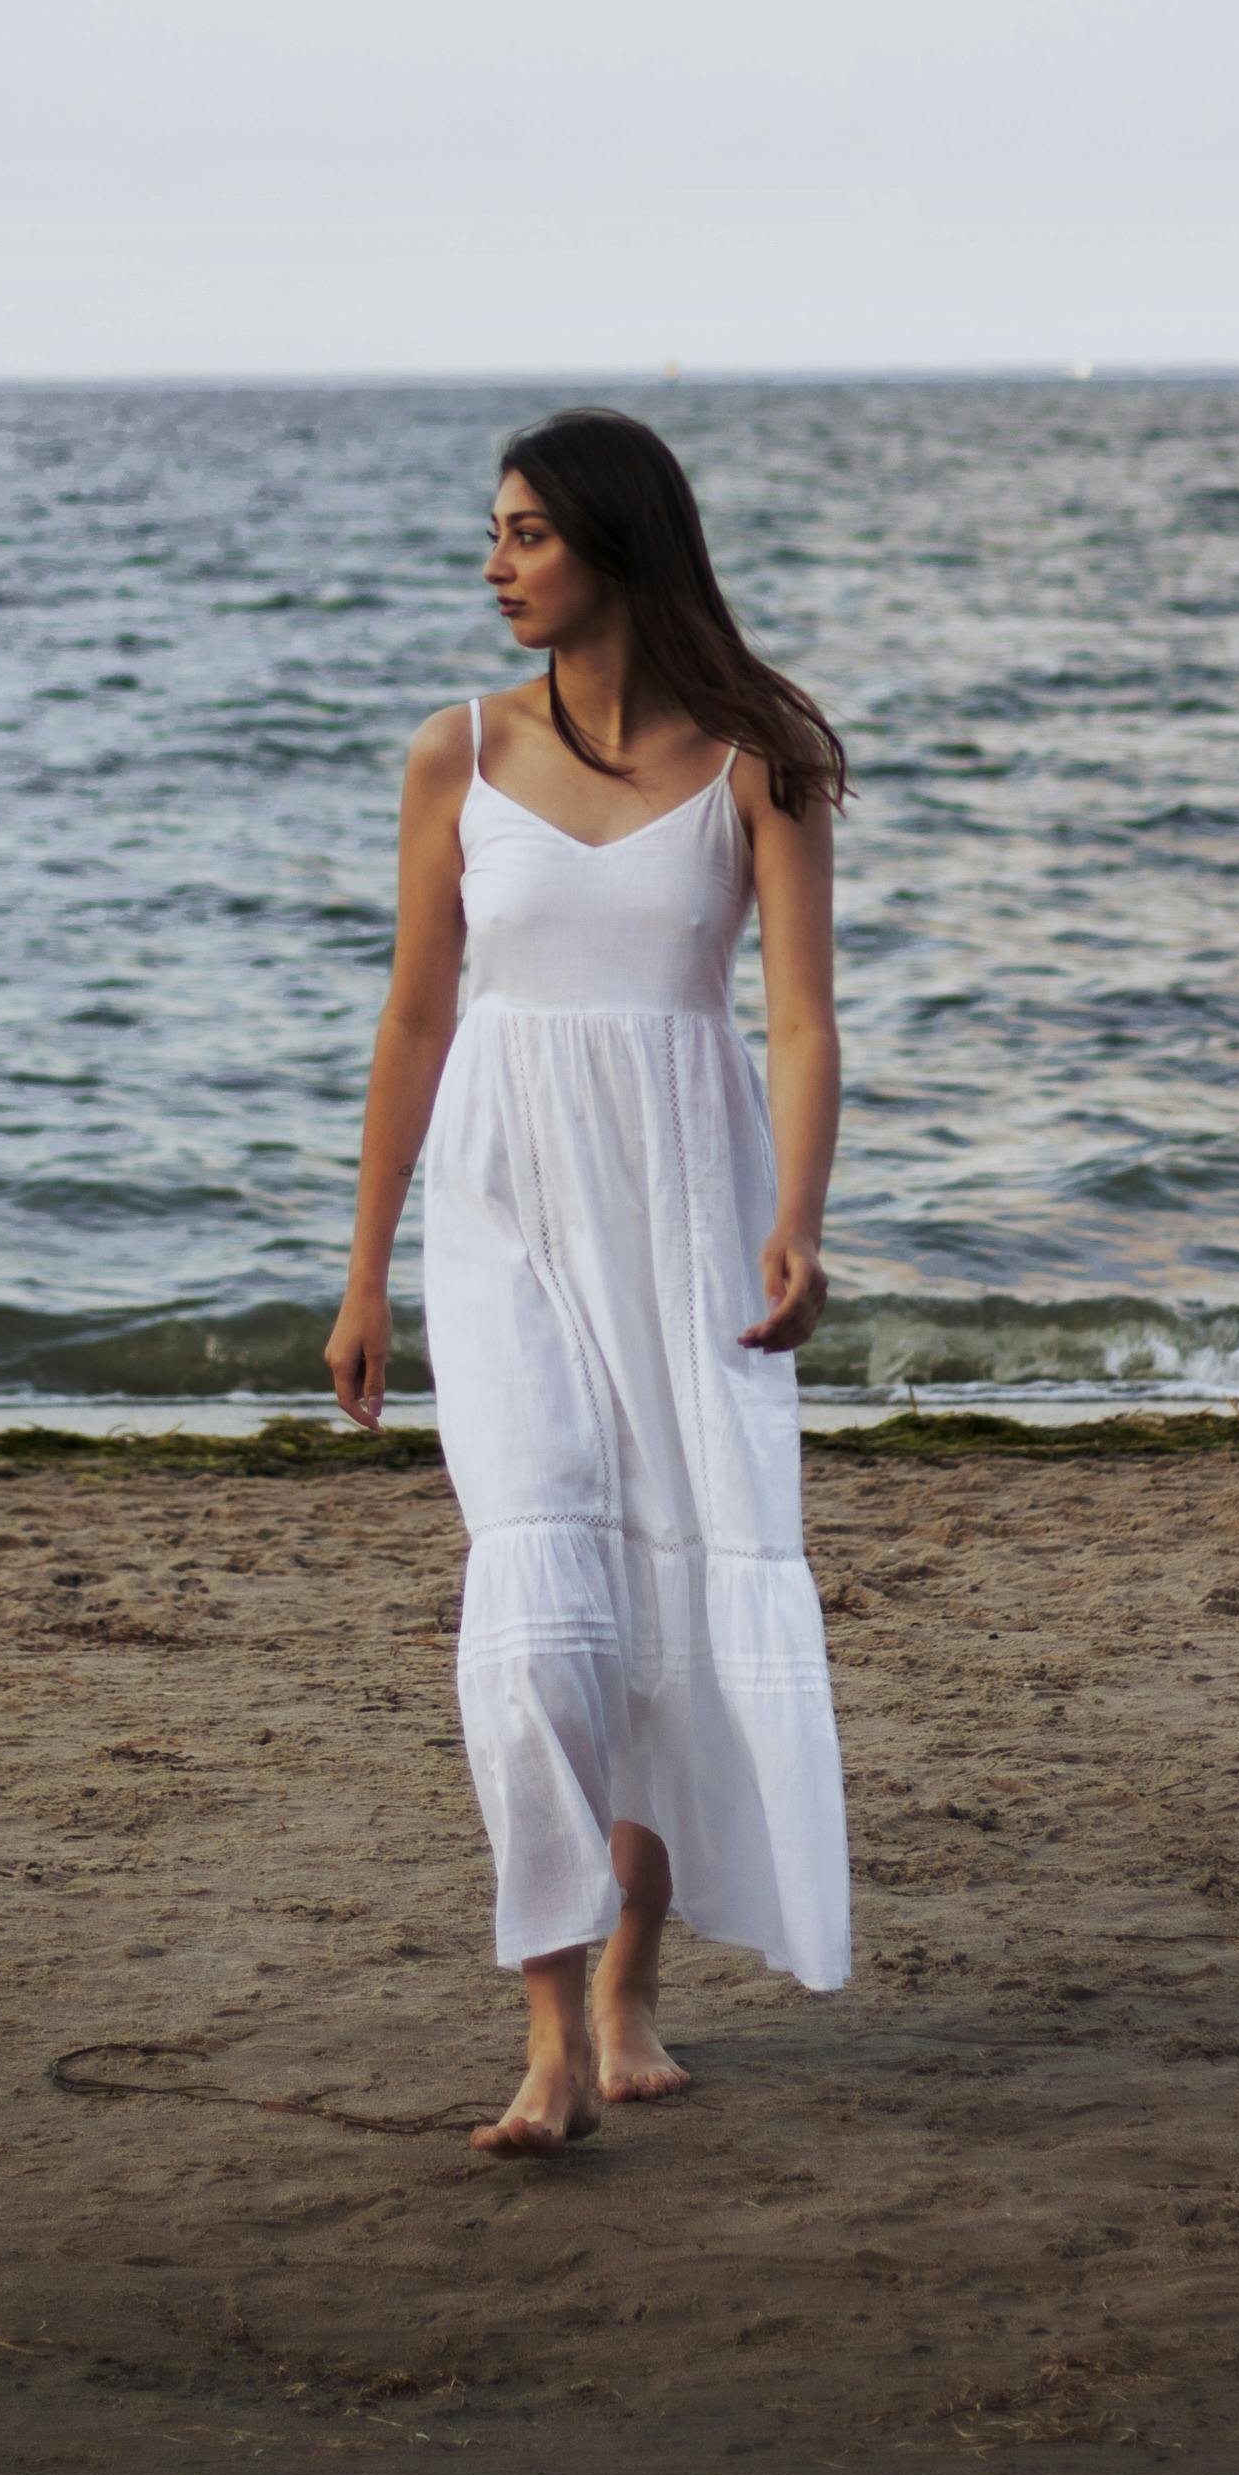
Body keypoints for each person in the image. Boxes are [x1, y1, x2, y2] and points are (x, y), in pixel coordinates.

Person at [326, 407, 854, 2155]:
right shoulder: (454, 756)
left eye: (527, 531)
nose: (495, 561)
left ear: (615, 544)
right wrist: (362, 1275)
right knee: (540, 1608)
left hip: (686, 1209)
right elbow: (412, 1019)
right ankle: (547, 2034)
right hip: (499, 1208)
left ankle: (631, 1986)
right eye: (493, 530)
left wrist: (797, 1211)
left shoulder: (753, 762)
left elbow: (795, 1014)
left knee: (669, 1620)